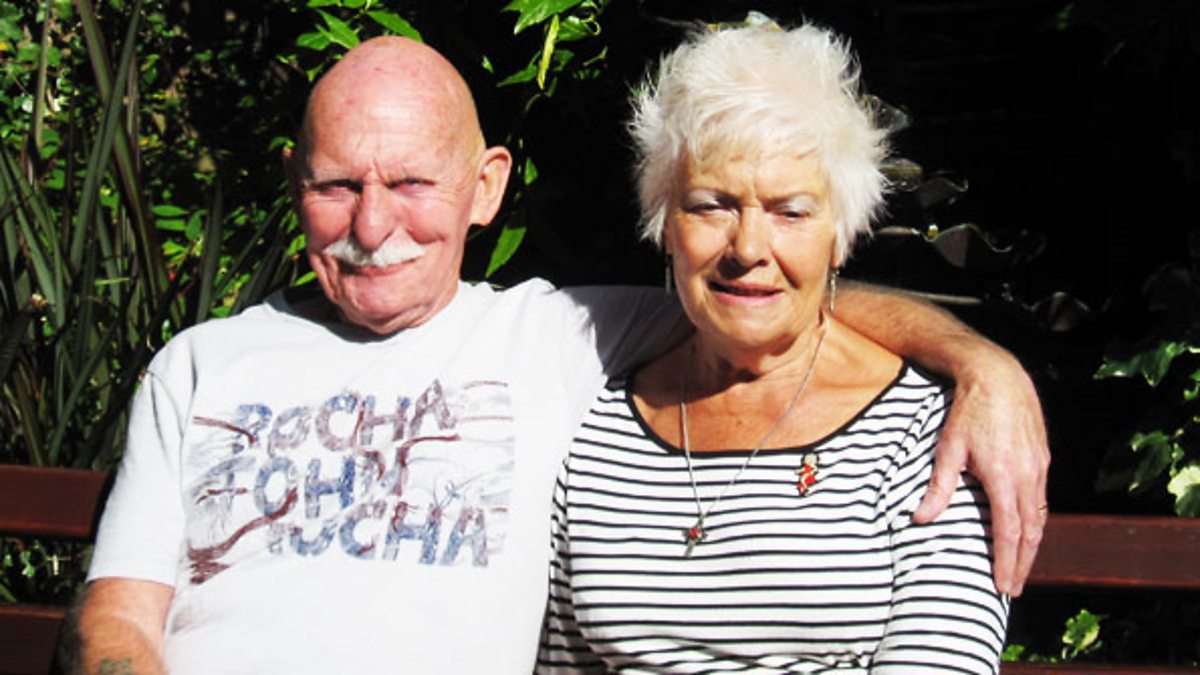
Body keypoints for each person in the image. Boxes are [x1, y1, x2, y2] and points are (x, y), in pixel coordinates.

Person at [71, 35, 1041, 674]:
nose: (373, 226)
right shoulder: (201, 363)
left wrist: (980, 363)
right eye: (337, 186)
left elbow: (769, 306)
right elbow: (115, 621)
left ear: (486, 187)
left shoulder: (558, 335)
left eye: (411, 183)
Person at [538, 22, 1007, 673]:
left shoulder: (921, 438)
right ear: (665, 226)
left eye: (790, 212)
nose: (749, 248)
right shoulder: (597, 427)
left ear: (841, 237)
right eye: (712, 205)